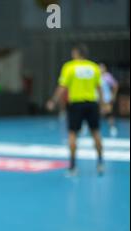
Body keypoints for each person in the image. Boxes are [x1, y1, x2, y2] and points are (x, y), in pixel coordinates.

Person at [47, 44, 104, 176]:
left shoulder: (69, 67)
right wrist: (102, 104)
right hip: (92, 104)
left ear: (76, 53)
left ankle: (73, 166)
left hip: (76, 104)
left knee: (72, 134)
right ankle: (100, 163)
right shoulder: (94, 67)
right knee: (96, 132)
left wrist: (53, 101)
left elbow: (62, 87)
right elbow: (99, 88)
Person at [99, 63, 119, 137]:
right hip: (97, 98)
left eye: (102, 68)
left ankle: (112, 127)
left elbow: (115, 85)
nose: (100, 69)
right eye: (99, 68)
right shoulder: (96, 76)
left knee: (109, 113)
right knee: (94, 114)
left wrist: (113, 96)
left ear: (105, 68)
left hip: (106, 98)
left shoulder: (108, 76)